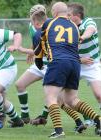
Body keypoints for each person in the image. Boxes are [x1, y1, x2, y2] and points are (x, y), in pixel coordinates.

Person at [34, 1, 101, 138]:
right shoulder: (75, 27)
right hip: (75, 64)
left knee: (51, 97)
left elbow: (41, 43)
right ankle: (98, 119)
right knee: (71, 100)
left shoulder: (49, 23)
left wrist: (38, 59)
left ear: (54, 12)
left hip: (58, 62)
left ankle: (59, 131)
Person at [16, 4, 87, 134]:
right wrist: (30, 53)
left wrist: (21, 49)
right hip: (42, 64)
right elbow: (37, 45)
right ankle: (25, 116)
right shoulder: (33, 26)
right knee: (20, 84)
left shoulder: (49, 24)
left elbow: (44, 47)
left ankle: (77, 121)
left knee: (59, 100)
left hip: (51, 64)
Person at [67, 2, 101, 127]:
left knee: (99, 95)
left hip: (92, 64)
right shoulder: (67, 27)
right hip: (75, 64)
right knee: (67, 100)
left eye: (69, 14)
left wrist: (81, 38)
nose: (67, 16)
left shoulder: (88, 22)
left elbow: (90, 30)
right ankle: (90, 118)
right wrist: (79, 60)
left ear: (77, 15)